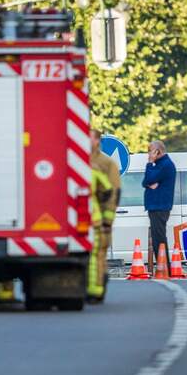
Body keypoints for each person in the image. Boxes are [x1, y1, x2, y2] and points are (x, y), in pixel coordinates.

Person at [87, 129, 121, 303]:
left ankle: (97, 290)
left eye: (90, 137)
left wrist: (108, 220)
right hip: (81, 218)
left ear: (97, 141)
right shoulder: (75, 158)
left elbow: (112, 193)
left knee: (99, 253)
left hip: (98, 219)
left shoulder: (106, 164)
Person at [142, 140, 176, 272]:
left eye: (150, 151)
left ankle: (164, 267)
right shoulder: (160, 165)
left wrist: (150, 163)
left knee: (159, 237)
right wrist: (149, 182)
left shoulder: (165, 165)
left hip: (159, 206)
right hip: (156, 206)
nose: (148, 155)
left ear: (157, 151)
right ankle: (163, 266)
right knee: (157, 237)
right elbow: (145, 182)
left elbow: (149, 179)